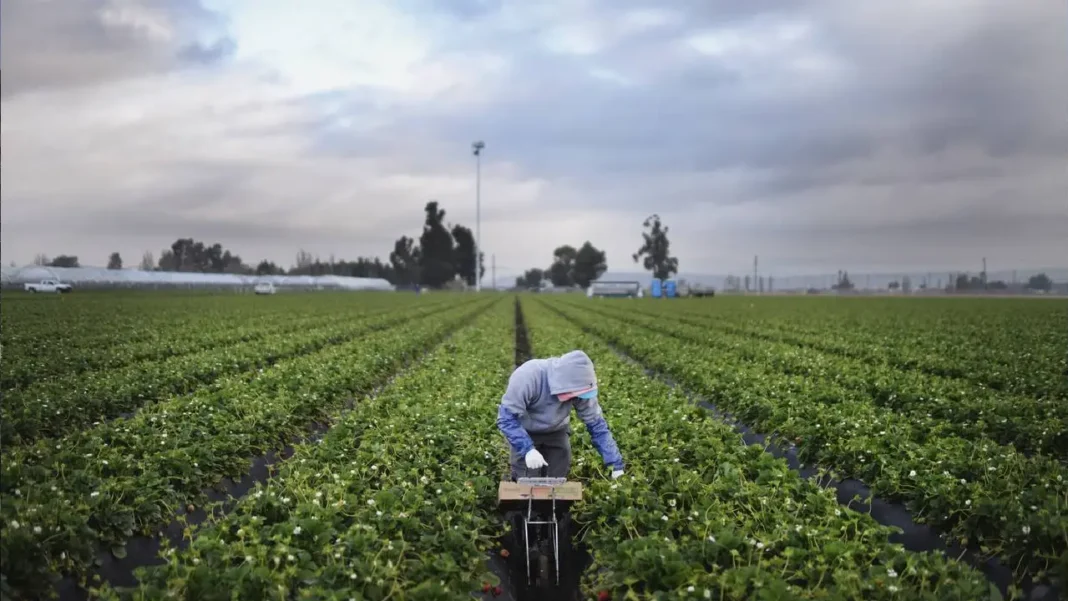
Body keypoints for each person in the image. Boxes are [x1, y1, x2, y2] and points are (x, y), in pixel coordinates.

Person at [496, 349, 625, 480]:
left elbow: (597, 427)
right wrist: (527, 449)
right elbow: (506, 419)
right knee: (527, 481)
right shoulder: (528, 377)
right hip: (525, 430)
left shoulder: (583, 386)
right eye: (576, 394)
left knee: (557, 480)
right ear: (564, 385)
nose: (579, 398)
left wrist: (615, 465)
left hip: (557, 431)